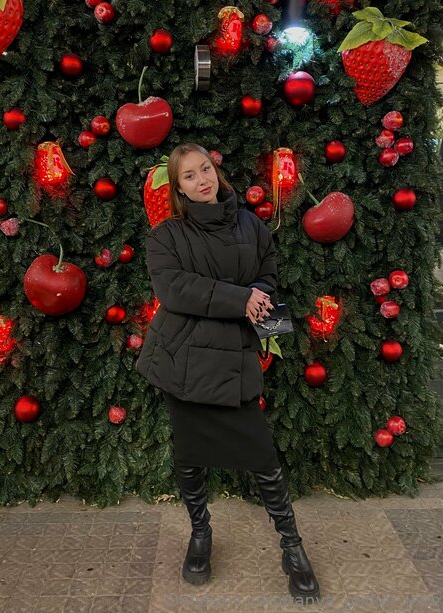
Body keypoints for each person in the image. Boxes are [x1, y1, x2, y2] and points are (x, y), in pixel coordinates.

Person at [136, 143, 320, 604]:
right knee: (189, 455)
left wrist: (259, 293)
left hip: (234, 356)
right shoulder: (165, 236)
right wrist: (240, 299)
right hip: (183, 360)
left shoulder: (250, 224)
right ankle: (201, 534)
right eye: (189, 176)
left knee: (262, 455)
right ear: (178, 189)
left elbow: (269, 270)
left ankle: (292, 546)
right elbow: (174, 289)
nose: (202, 179)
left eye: (205, 169)